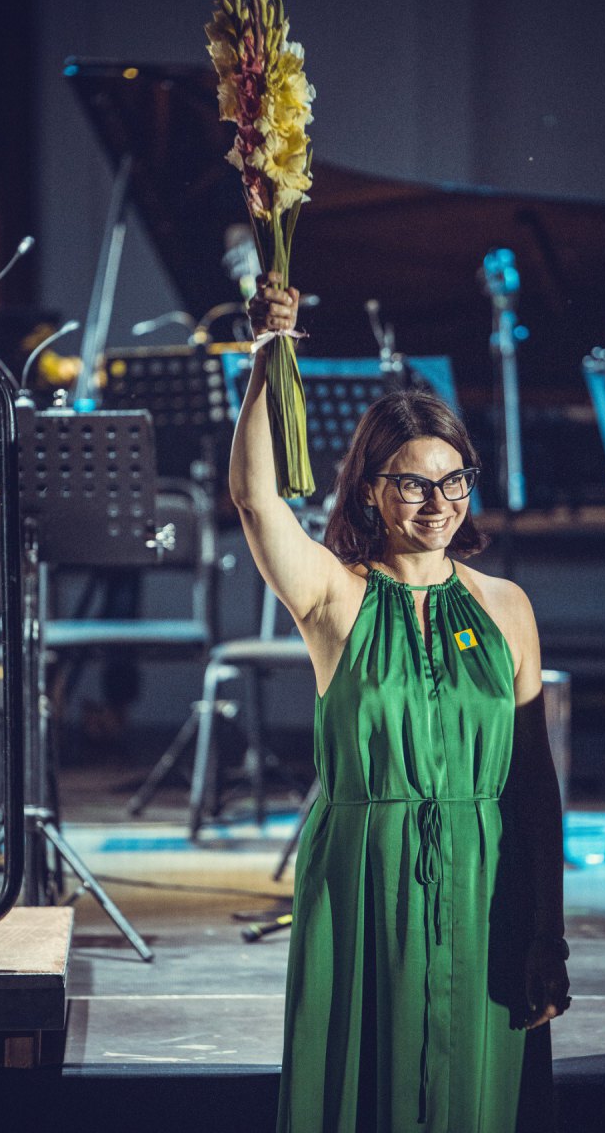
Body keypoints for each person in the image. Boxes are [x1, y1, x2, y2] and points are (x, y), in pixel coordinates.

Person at [231, 273, 570, 1133]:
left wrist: (547, 931)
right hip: (363, 877)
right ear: (371, 490)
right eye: (414, 484)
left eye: (455, 482)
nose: (438, 503)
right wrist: (270, 355)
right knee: (364, 1088)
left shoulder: (507, 607)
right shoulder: (334, 596)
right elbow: (256, 498)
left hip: (484, 878)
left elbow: (534, 788)